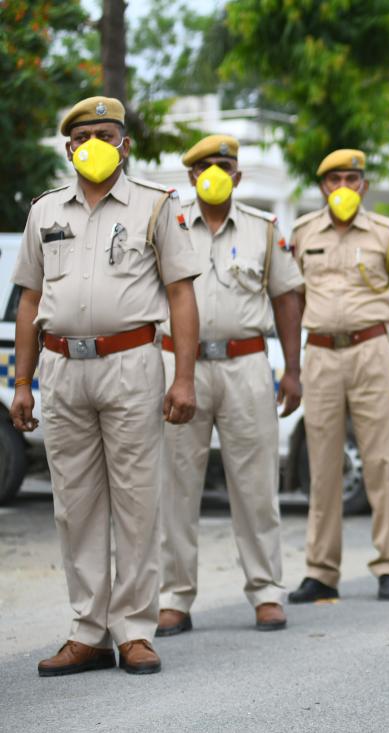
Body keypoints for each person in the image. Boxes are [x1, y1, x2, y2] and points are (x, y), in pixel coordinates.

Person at [12, 96, 201, 676]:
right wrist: (22, 382)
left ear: (125, 143)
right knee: (74, 504)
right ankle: (87, 630)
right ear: (69, 146)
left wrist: (184, 377)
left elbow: (181, 293)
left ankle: (135, 630)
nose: (95, 142)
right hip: (62, 367)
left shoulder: (154, 206)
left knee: (137, 501)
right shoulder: (45, 212)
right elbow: (29, 299)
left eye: (107, 132)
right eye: (84, 133)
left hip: (131, 363)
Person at [156, 134, 304, 637]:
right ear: (191, 178)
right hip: (181, 368)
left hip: (245, 366)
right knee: (176, 483)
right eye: (205, 167)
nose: (215, 173)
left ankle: (266, 592)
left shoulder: (264, 229)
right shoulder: (168, 227)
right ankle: (174, 596)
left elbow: (287, 298)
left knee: (256, 484)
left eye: (224, 165)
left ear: (237, 176)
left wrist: (293, 368)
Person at [287, 148, 389, 604]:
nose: (344, 186)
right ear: (322, 186)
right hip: (322, 353)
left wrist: (387, 346)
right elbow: (294, 297)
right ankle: (321, 571)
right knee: (323, 464)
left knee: (382, 460)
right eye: (335, 179)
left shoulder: (385, 232)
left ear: (362, 185)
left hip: (371, 349)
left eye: (352, 178)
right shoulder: (303, 233)